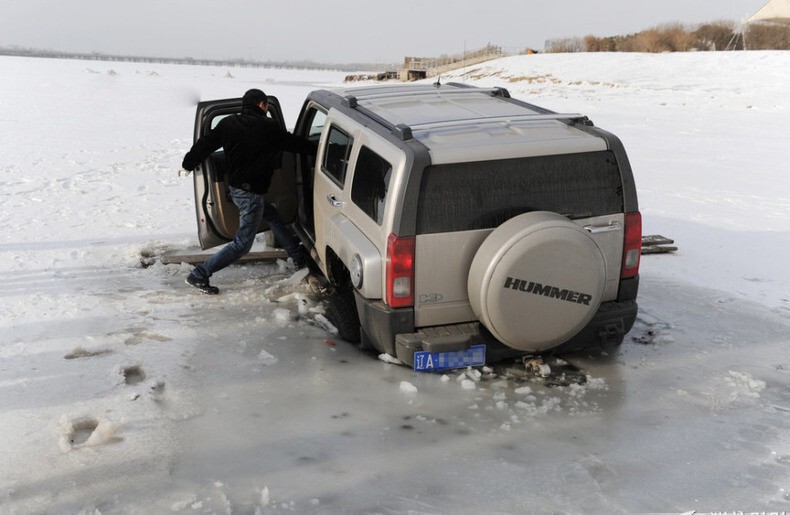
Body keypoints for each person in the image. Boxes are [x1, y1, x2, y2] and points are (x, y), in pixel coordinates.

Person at [180, 88, 315, 294]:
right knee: (242, 245)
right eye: (267, 106)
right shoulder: (268, 127)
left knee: (272, 216)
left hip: (236, 189)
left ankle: (297, 257)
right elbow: (293, 143)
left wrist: (188, 164)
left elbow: (205, 144)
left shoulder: (228, 123)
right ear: (262, 105)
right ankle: (199, 274)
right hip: (251, 194)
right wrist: (320, 148)